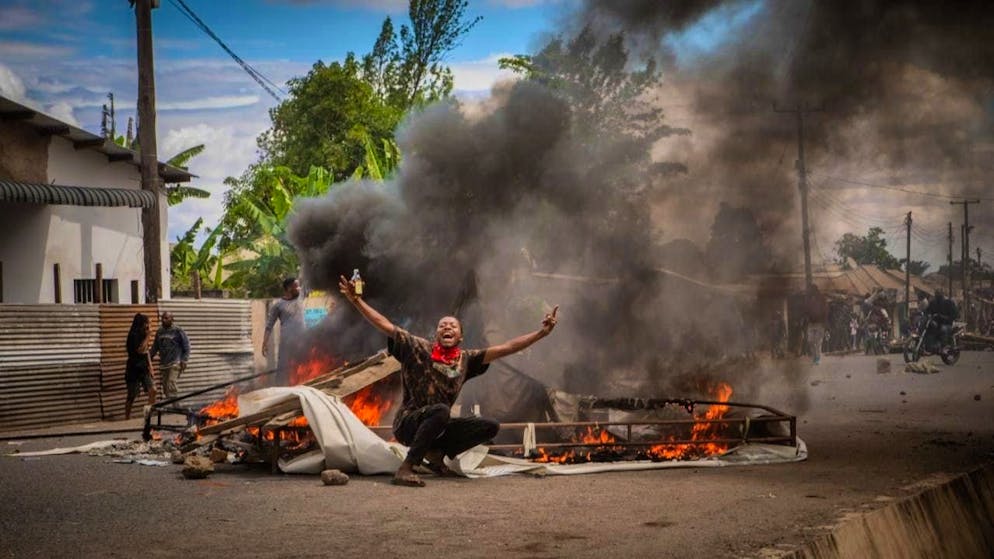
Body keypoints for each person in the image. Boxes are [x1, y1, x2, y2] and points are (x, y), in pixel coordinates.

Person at [338, 273, 558, 487]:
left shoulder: (466, 360)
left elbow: (507, 348)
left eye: (452, 326)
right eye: (443, 325)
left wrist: (541, 334)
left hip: (439, 425)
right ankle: (407, 467)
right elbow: (384, 325)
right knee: (441, 410)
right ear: (437, 334)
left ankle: (437, 454)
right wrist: (357, 300)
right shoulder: (418, 348)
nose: (447, 327)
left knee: (490, 426)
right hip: (408, 424)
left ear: (460, 336)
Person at [262, 277, 305, 385]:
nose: (299, 288)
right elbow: (269, 325)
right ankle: (281, 389)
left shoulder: (301, 297)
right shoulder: (278, 305)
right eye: (296, 286)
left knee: (303, 365)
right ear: (289, 288)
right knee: (284, 368)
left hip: (303, 340)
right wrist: (264, 343)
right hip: (287, 343)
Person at [150, 311, 190, 399]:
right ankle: (172, 406)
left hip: (175, 363)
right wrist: (149, 358)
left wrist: (184, 360)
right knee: (165, 388)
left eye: (166, 318)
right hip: (164, 364)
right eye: (162, 318)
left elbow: (186, 346)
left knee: (171, 384)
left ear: (172, 319)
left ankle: (177, 406)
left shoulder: (177, 331)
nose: (163, 320)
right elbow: (155, 347)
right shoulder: (160, 331)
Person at [124, 313, 156, 420]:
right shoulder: (133, 336)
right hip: (133, 368)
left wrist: (151, 366)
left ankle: (148, 416)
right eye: (146, 323)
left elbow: (146, 351)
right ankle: (127, 418)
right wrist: (148, 336)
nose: (148, 326)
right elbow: (140, 349)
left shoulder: (143, 334)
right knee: (132, 395)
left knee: (153, 390)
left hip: (144, 368)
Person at [803, 284, 828, 365]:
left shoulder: (821, 298)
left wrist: (825, 323)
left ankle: (817, 358)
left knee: (817, 342)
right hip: (811, 324)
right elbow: (805, 310)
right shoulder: (808, 299)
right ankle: (815, 357)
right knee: (810, 341)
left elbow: (825, 311)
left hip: (819, 324)